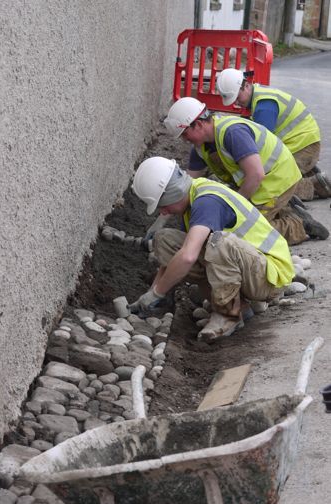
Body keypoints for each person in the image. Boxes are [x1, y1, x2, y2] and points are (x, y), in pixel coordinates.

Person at [129, 156, 295, 342]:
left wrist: (156, 293)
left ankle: (227, 315)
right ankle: (239, 307)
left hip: (269, 275)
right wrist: (152, 293)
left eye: (163, 206)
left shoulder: (206, 203)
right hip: (250, 268)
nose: (164, 213)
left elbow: (188, 257)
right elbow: (178, 255)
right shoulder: (193, 194)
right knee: (165, 240)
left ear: (173, 193)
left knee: (217, 242)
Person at [163, 97, 329, 244]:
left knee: (246, 234)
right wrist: (162, 218)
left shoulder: (233, 133)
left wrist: (237, 205)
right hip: (258, 181)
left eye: (185, 135)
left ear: (198, 124)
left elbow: (256, 174)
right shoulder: (200, 148)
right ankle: (283, 208)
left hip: (276, 180)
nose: (185, 141)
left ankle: (298, 225)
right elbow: (184, 188)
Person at [216, 68, 331, 200]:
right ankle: (310, 174)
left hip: (303, 145)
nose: (236, 102)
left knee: (275, 184)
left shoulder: (263, 106)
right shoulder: (258, 96)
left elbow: (262, 148)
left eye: (237, 97)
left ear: (246, 85)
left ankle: (313, 185)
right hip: (301, 143)